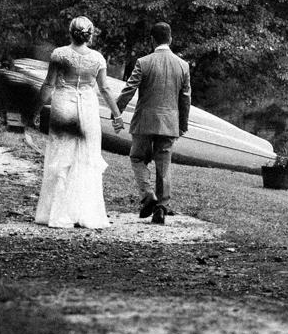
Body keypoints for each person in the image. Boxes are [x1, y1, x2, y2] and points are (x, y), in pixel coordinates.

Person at [33, 16, 125, 229]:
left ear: (70, 32)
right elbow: (105, 89)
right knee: (86, 155)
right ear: (89, 35)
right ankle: (84, 212)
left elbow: (49, 84)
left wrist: (35, 109)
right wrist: (117, 115)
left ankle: (56, 213)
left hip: (64, 103)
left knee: (61, 154)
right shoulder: (98, 58)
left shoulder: (60, 54)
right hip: (88, 107)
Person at [116, 22, 191, 225]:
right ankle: (161, 208)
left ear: (152, 40)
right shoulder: (182, 66)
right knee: (163, 166)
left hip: (145, 121)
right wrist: (182, 124)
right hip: (169, 123)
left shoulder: (144, 62)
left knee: (137, 158)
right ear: (170, 39)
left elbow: (129, 90)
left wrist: (117, 111)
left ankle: (148, 194)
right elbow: (185, 98)